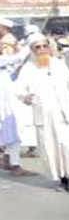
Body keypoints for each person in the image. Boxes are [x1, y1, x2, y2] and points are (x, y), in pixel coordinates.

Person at [15, 33, 69, 193]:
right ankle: (61, 179)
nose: (42, 49)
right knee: (51, 148)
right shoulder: (28, 68)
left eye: (45, 46)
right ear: (32, 50)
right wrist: (26, 97)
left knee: (68, 146)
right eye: (38, 47)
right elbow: (18, 89)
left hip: (63, 114)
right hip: (43, 115)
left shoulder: (59, 64)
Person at [0, 32, 34, 176]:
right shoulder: (4, 60)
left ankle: (8, 160)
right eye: (6, 46)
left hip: (12, 103)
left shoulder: (8, 62)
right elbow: (18, 58)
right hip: (6, 105)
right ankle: (15, 166)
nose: (9, 49)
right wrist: (31, 41)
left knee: (13, 132)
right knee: (12, 131)